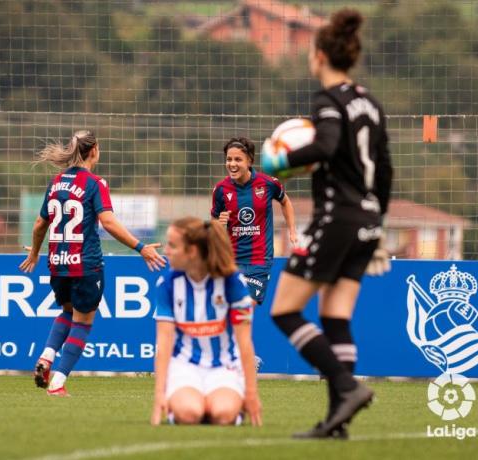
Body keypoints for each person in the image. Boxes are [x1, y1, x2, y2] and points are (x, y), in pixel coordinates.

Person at [261, 9, 393, 438]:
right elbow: (385, 170)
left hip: (337, 219)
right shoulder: (370, 102)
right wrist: (377, 226)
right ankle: (338, 421)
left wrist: (279, 162)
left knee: (284, 310)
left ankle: (346, 385)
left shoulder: (328, 101)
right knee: (335, 316)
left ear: (318, 56)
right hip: (368, 220)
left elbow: (327, 144)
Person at [20, 130, 165, 396]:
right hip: (85, 264)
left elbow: (41, 223)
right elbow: (108, 222)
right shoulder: (95, 183)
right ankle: (57, 383)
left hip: (58, 263)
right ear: (95, 150)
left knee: (67, 312)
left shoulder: (56, 182)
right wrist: (141, 247)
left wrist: (35, 254)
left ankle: (46, 356)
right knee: (83, 322)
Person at [150, 217, 262, 427]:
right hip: (184, 366)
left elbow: (245, 342)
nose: (166, 251)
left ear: (192, 251)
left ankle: (228, 406)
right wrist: (159, 394)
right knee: (190, 413)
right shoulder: (166, 284)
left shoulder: (234, 283)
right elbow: (164, 343)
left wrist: (251, 393)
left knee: (223, 414)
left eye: (172, 246)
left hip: (224, 366)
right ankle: (186, 405)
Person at [211, 137, 297, 307]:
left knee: (245, 305)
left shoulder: (268, 184)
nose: (232, 164)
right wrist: (220, 225)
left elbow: (285, 202)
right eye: (229, 159)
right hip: (231, 260)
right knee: (226, 306)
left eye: (238, 159)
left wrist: (292, 230)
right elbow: (214, 223)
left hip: (259, 259)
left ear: (249, 160)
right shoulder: (220, 190)